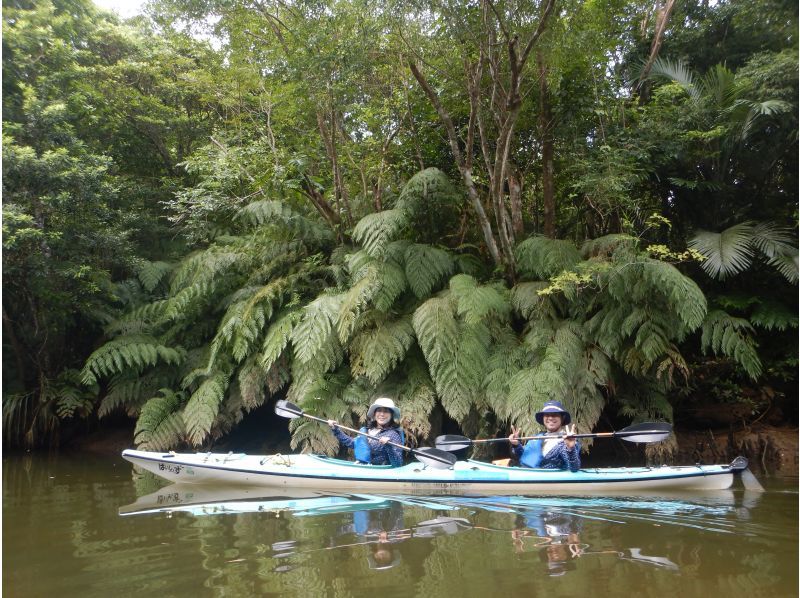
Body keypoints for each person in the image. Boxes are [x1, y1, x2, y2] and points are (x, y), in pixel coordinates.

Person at [328, 397, 405, 467]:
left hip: (380, 472)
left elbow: (398, 463)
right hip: (364, 467)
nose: (382, 414)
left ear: (391, 415)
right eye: (379, 410)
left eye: (386, 411)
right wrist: (335, 429)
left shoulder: (393, 434)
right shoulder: (367, 430)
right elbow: (352, 443)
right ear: (374, 414)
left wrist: (389, 446)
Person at [508, 401, 581, 471]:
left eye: (555, 414)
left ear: (562, 418)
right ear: (543, 418)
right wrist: (516, 445)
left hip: (549, 481)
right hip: (527, 474)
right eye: (547, 415)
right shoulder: (538, 437)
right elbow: (524, 455)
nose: (550, 418)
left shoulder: (568, 440)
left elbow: (574, 467)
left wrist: (570, 448)